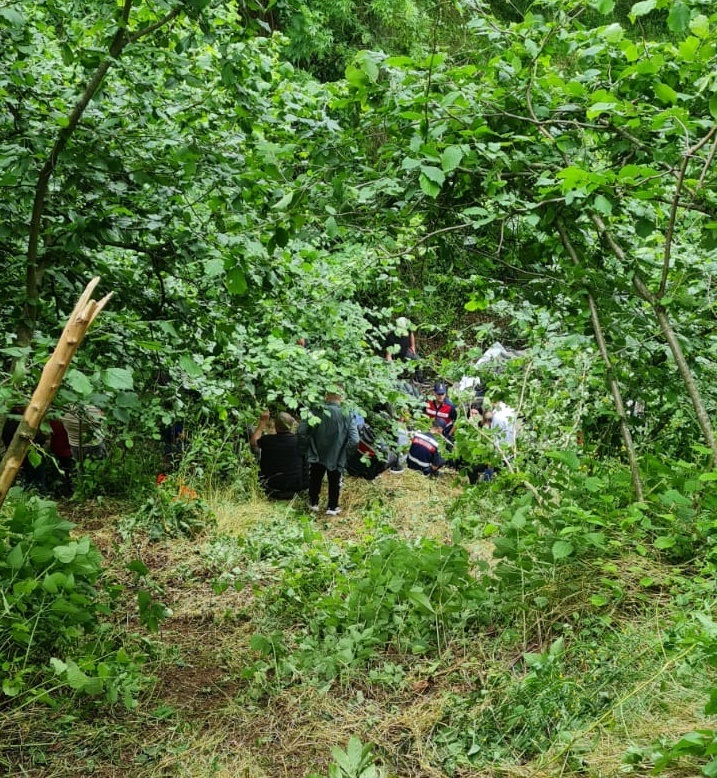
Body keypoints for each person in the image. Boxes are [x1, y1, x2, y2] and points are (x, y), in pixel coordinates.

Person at [298, 390, 359, 516]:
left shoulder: (315, 410)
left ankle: (313, 502)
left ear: (326, 395)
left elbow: (301, 432)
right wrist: (345, 454)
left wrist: (305, 449)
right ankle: (332, 506)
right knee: (334, 479)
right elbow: (354, 440)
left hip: (316, 451)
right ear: (342, 397)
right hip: (337, 454)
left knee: (315, 475)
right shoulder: (348, 413)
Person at [249, 410, 309, 499]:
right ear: (292, 426)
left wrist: (262, 423)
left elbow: (253, 442)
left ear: (275, 426)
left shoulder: (267, 440)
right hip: (296, 488)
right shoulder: (301, 441)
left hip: (271, 487)